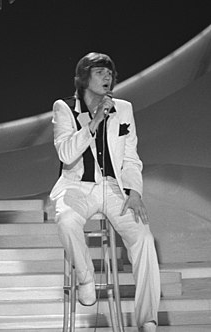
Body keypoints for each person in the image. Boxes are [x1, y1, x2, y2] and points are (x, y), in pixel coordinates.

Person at [50, 52, 160, 332]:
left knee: (144, 238)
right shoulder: (64, 108)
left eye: (109, 72)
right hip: (78, 186)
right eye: (100, 72)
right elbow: (66, 153)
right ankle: (86, 279)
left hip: (113, 188)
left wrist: (134, 191)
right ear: (84, 77)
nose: (107, 77)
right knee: (66, 220)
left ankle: (147, 319)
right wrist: (93, 122)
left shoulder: (123, 108)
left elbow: (131, 157)